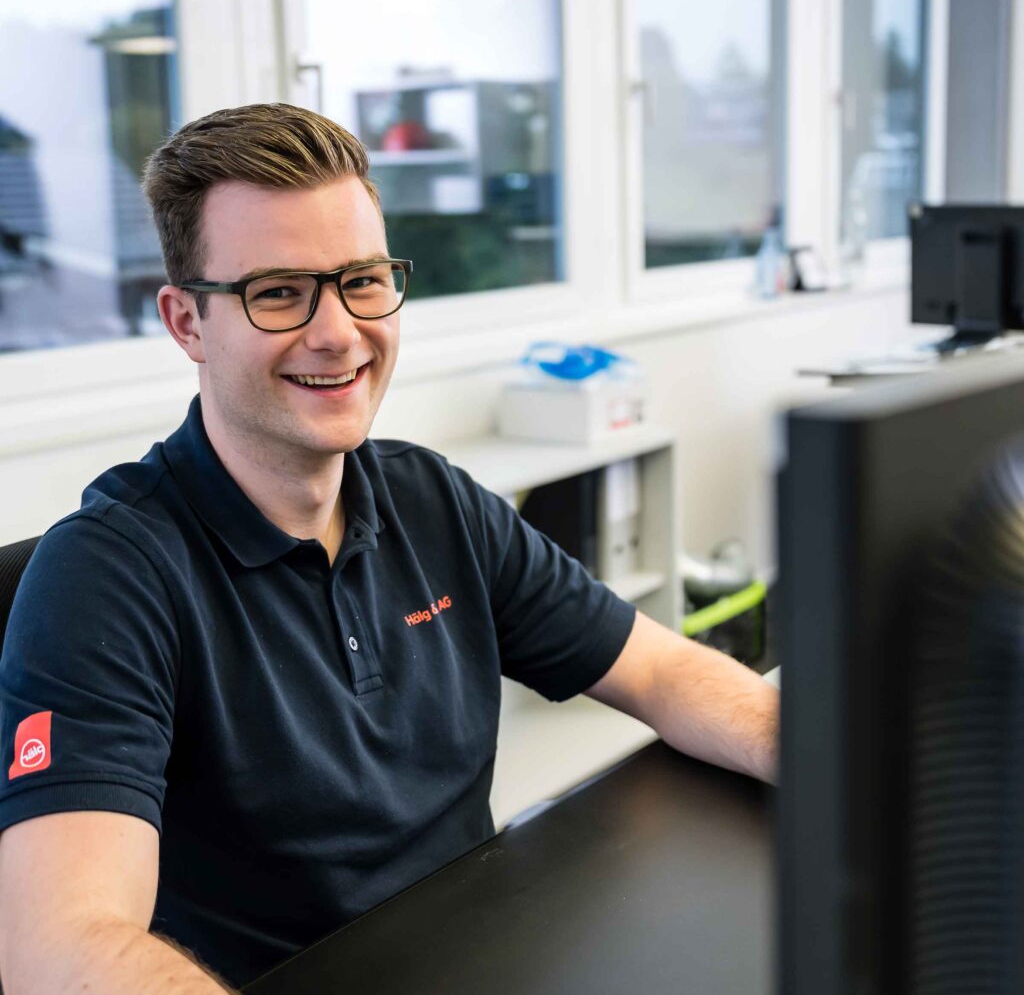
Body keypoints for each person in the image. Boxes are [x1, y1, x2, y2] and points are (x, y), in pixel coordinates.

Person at [0, 104, 778, 994]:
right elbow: (58, 949)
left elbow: (661, 672)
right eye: (279, 291)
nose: (337, 332)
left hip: (483, 951)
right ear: (186, 324)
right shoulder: (103, 577)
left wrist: (835, 755)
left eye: (362, 280)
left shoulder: (430, 497)